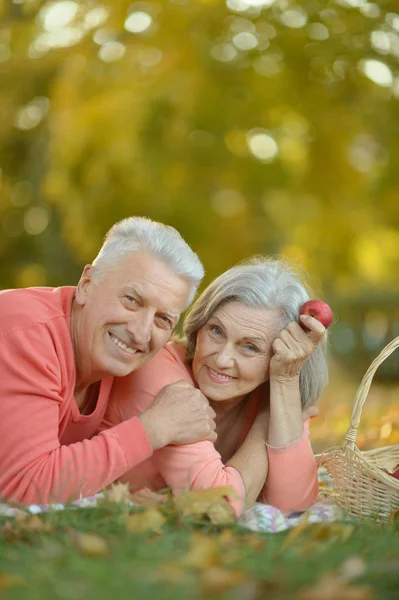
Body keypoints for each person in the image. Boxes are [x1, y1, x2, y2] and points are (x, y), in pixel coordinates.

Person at [0, 217, 217, 505]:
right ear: (87, 284)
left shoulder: (117, 362)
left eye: (163, 319)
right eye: (131, 300)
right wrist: (154, 428)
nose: (140, 332)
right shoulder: (26, 333)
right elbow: (24, 487)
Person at [102, 257, 328, 516]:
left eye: (250, 347)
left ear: (281, 358)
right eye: (216, 332)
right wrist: (266, 422)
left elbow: (294, 505)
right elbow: (218, 506)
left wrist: (286, 383)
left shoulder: (277, 386)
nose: (221, 359)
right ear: (199, 327)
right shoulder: (159, 371)